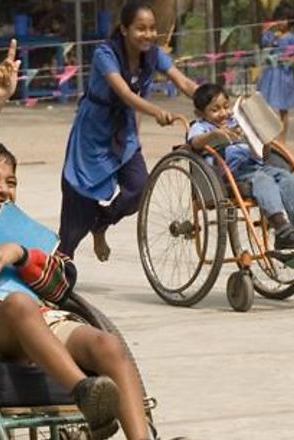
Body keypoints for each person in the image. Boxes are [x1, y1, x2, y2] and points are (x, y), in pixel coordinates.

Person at [0, 41, 196, 440]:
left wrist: (21, 256)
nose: (1, 189)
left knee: (106, 343)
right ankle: (86, 395)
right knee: (19, 304)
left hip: (46, 325)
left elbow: (64, 281)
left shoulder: (22, 232)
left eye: (10, 182)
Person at [57, 0, 199, 261]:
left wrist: (212, 98)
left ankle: (102, 223)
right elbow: (123, 93)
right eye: (140, 28)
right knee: (79, 209)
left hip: (125, 134)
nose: (148, 34)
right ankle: (60, 264)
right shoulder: (105, 54)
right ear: (124, 29)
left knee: (139, 189)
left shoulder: (155, 54)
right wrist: (156, 111)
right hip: (93, 135)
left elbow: (183, 81)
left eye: (152, 28)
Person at [186, 84, 294, 253]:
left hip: (258, 166)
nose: (224, 113)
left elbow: (264, 155)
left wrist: (262, 138)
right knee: (263, 181)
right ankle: (281, 227)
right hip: (232, 174)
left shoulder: (237, 122)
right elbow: (194, 143)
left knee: (291, 178)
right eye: (215, 110)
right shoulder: (202, 127)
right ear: (200, 113)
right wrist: (215, 135)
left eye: (226, 107)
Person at [258, 5, 294, 141]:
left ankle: (282, 140)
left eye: (284, 19)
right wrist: (266, 31)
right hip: (270, 74)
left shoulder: (293, 38)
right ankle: (267, 137)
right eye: (279, 19)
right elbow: (263, 43)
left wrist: (288, 60)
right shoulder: (272, 36)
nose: (281, 22)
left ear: (290, 21)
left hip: (284, 75)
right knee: (264, 105)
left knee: (283, 109)